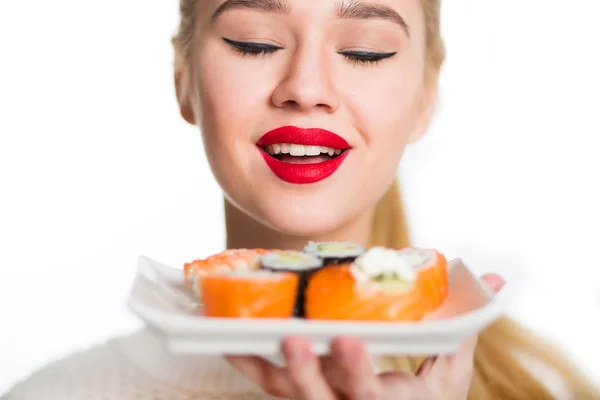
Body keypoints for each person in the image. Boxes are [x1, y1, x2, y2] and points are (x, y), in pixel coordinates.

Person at [4, 0, 599, 399]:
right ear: (184, 78)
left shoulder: (546, 387)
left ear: (424, 97)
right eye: (254, 42)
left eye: (366, 51)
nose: (306, 89)